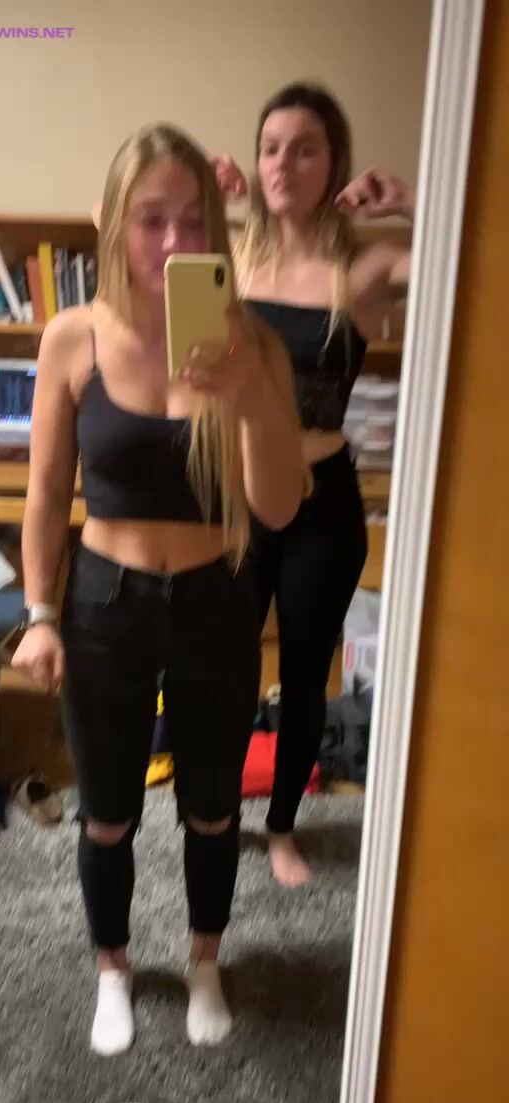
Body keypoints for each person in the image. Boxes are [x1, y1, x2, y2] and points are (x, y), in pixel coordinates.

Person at [11, 123, 311, 1055]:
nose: (176, 240)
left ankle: (205, 961)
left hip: (219, 597)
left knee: (213, 805)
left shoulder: (253, 342)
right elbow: (45, 493)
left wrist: (250, 394)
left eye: (193, 218)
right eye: (152, 219)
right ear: (114, 226)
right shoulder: (72, 337)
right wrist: (39, 614)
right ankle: (113, 969)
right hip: (104, 602)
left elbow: (278, 505)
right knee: (107, 810)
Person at [212, 82, 415, 887]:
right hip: (233, 496)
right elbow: (113, 222)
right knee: (221, 667)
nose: (283, 164)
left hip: (321, 502)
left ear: (335, 163)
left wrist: (413, 203)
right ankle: (214, 813)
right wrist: (199, 188)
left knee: (302, 672)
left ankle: (282, 826)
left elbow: (481, 256)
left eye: (304, 149)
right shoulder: (227, 257)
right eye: (270, 148)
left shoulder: (365, 266)